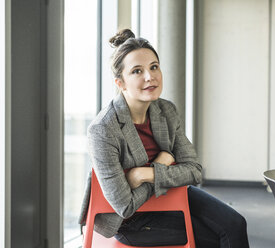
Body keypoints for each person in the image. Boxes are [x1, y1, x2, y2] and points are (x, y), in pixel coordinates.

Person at [79, 28, 250, 247]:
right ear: (120, 83)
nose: (150, 77)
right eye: (137, 71)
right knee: (215, 238)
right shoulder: (103, 129)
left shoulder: (166, 110)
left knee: (236, 224)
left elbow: (194, 170)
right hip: (132, 221)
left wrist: (144, 174)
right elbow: (124, 206)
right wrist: (161, 165)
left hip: (171, 194)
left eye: (154, 67)